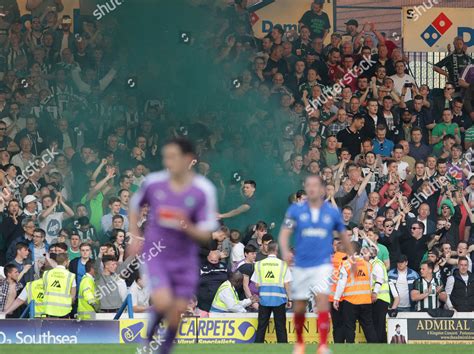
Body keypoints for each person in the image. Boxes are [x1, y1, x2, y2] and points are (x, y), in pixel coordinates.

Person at [127, 138, 218, 354]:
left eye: (172, 157)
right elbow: (134, 204)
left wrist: (187, 227)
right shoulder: (153, 182)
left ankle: (163, 350)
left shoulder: (203, 190)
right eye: (165, 157)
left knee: (177, 310)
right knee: (162, 299)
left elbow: (207, 235)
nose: (167, 162)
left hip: (185, 258)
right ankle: (148, 342)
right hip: (156, 254)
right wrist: (134, 234)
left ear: (188, 159)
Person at [279, 175, 352, 354]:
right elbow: (284, 233)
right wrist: (285, 250)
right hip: (301, 264)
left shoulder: (332, 211)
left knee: (322, 303)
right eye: (309, 185)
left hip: (322, 264)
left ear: (322, 189)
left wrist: (353, 256)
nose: (312, 188)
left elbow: (343, 235)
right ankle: (300, 343)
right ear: (305, 187)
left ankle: (322, 345)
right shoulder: (295, 210)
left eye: (315, 185)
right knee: (300, 305)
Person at [333, 242, 378, 344]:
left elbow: (341, 283)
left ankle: (350, 348)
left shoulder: (346, 264)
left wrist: (336, 298)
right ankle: (376, 348)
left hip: (350, 301)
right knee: (368, 326)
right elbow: (370, 282)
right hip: (366, 300)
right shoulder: (368, 265)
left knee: (349, 327)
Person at [252, 241, 292, 343]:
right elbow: (287, 284)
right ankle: (283, 350)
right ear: (276, 250)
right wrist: (290, 298)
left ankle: (257, 349)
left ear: (267, 250)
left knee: (261, 326)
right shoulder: (283, 265)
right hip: (279, 300)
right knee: (280, 327)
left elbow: (256, 284)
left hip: (264, 300)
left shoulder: (259, 264)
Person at [42, 253, 76, 318]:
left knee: (50, 328)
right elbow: (73, 296)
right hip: (64, 310)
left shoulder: (46, 273)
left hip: (49, 309)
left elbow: (44, 288)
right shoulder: (70, 276)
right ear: (66, 261)